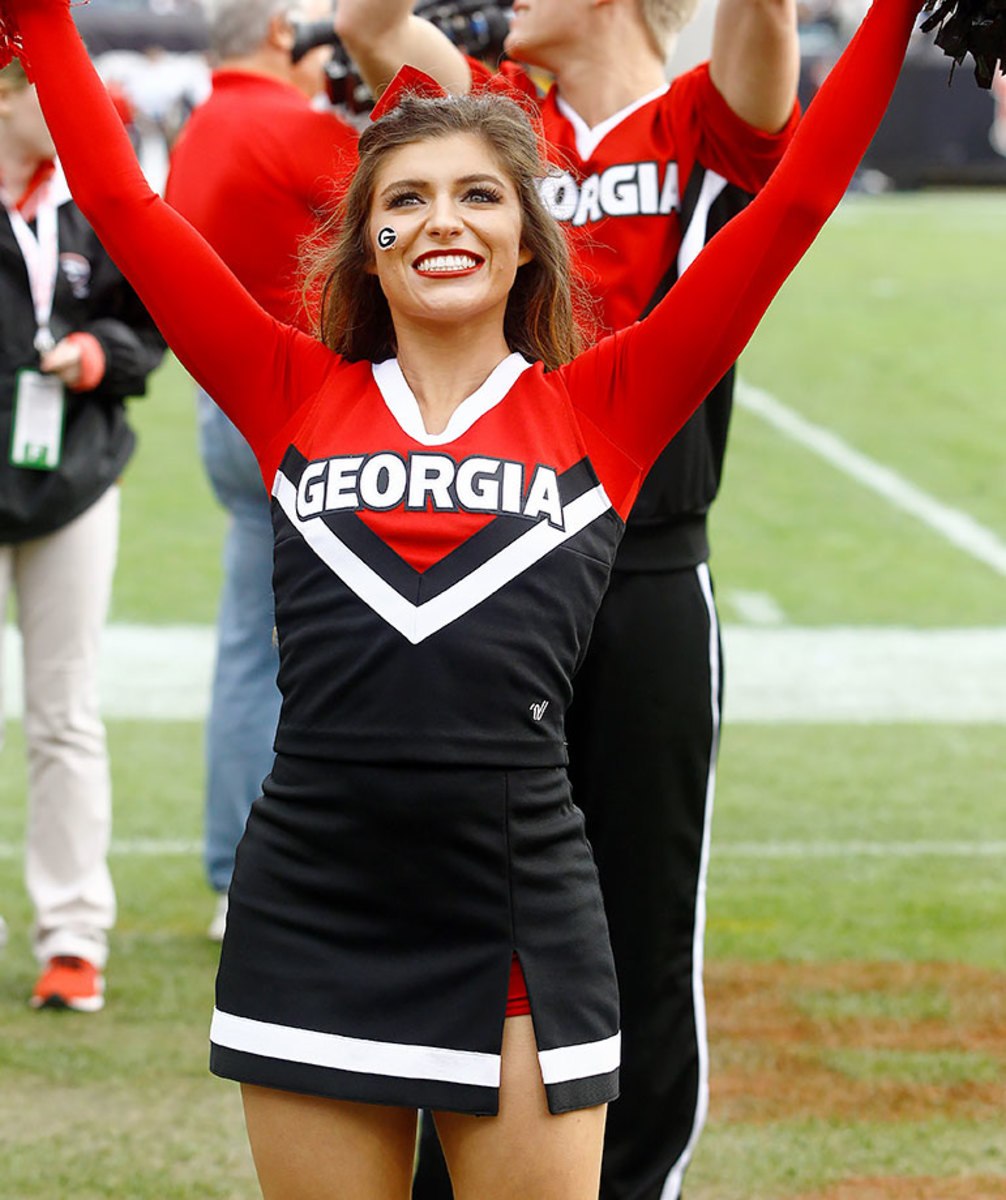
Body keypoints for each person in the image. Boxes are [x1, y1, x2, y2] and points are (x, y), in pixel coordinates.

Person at [5, 0, 922, 1193]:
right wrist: (40, 21)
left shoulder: (607, 408)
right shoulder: (287, 390)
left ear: (529, 241)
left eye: (481, 195)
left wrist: (896, 7)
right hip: (316, 904)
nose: (443, 220)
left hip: (521, 919)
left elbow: (793, 204)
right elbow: (127, 207)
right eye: (405, 200)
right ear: (366, 243)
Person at [334, 1, 800, 1196]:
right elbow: (368, 23)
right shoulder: (497, 114)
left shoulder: (701, 117)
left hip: (644, 571)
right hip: (502, 571)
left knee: (641, 918)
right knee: (470, 914)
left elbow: (765, 26)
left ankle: (636, 1181)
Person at [164, 0, 358, 941]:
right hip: (306, 414)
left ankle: (235, 870)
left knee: (249, 645)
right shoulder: (294, 126)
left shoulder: (201, 129)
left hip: (224, 407)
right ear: (284, 36)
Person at [0, 56, 164, 1012]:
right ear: (11, 97)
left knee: (65, 712)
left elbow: (149, 319)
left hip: (73, 480)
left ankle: (72, 936)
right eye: (54, 100)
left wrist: (104, 353)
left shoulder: (93, 199)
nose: (76, 120)